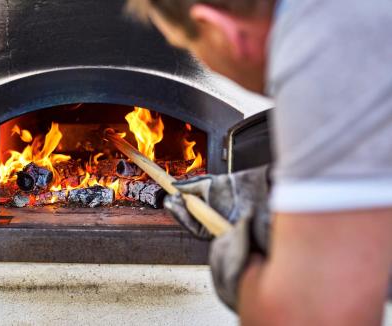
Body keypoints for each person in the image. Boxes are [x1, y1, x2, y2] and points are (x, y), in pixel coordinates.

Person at [126, 0, 392, 325]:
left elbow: (306, 317)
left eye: (189, 46)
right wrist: (263, 193)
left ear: (219, 29)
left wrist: (241, 267)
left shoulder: (320, 49)